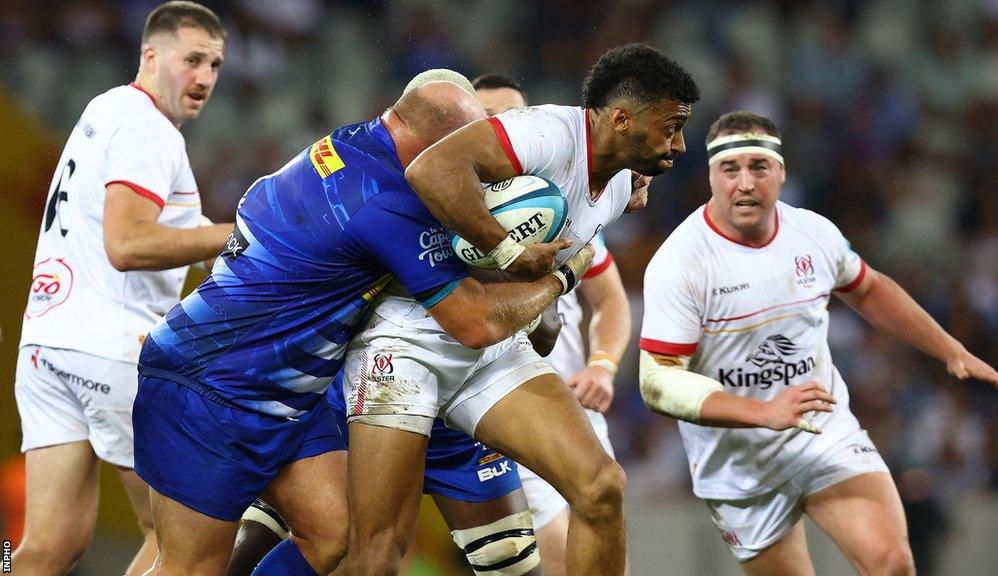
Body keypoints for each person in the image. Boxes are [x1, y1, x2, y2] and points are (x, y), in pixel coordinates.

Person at [133, 69, 588, 575]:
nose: (477, 168)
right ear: (433, 145)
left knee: (342, 540)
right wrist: (559, 279)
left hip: (288, 395)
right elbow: (473, 323)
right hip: (208, 388)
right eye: (464, 152)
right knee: (192, 567)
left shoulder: (352, 143)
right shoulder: (387, 202)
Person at [339, 43, 699, 576]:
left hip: (490, 352)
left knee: (601, 488)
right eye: (672, 126)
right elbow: (431, 170)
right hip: (407, 343)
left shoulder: (622, 185)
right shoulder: (548, 133)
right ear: (622, 119)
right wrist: (507, 248)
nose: (682, 143)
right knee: (378, 553)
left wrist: (544, 310)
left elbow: (561, 279)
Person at [638, 110, 998, 575]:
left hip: (822, 433)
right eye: (730, 168)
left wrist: (951, 350)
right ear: (711, 176)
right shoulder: (681, 263)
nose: (745, 183)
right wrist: (764, 412)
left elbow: (869, 288)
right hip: (737, 465)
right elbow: (657, 382)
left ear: (781, 172)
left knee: (892, 564)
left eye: (759, 167)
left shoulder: (812, 234)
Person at [12, 3, 231, 575]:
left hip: (46, 343)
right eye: (192, 60)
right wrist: (238, 234)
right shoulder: (148, 127)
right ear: (151, 56)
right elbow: (128, 244)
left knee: (44, 548)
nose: (204, 78)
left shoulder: (104, 108)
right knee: (177, 540)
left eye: (214, 64)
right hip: (112, 351)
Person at [473, 73, 632, 576]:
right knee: (553, 560)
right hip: (502, 415)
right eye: (487, 119)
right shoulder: (454, 217)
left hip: (571, 407)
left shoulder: (560, 214)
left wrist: (603, 364)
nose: (502, 126)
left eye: (513, 117)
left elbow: (611, 301)